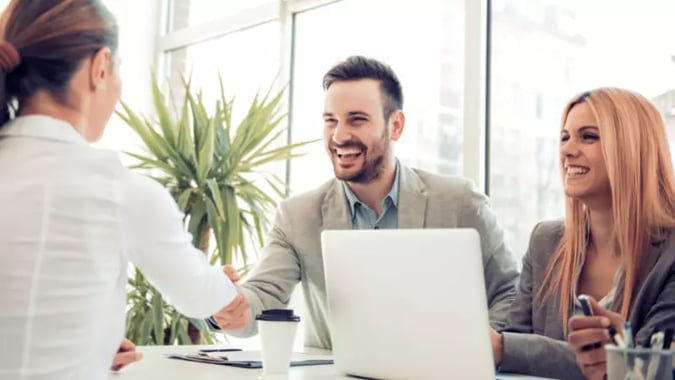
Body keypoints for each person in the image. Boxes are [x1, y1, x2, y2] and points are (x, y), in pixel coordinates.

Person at [0, 1, 247, 379]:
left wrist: (84, 340)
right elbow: (200, 295)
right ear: (100, 68)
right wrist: (227, 294)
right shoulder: (119, 191)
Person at [213, 55, 519, 350]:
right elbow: (263, 295)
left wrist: (475, 350)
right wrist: (230, 304)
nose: (339, 135)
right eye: (330, 121)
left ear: (396, 125)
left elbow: (509, 294)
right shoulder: (297, 216)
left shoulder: (461, 203)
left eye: (356, 120)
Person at [490, 88, 675, 380]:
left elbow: (648, 364)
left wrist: (505, 347)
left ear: (631, 148)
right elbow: (513, 348)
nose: (566, 150)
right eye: (564, 137)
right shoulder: (545, 241)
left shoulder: (669, 253)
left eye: (588, 136)